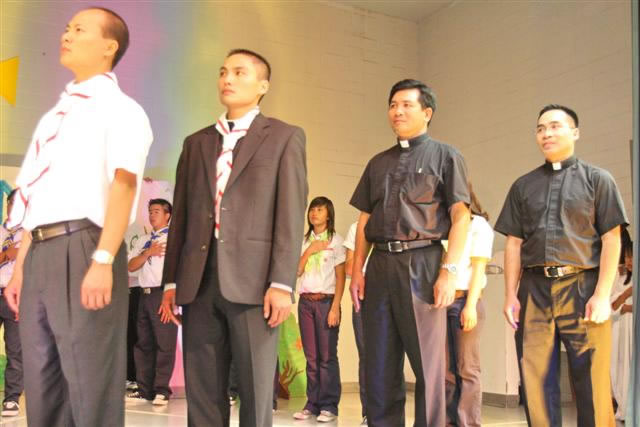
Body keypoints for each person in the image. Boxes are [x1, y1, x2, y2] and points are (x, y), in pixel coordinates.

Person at [3, 7, 152, 427]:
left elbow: (124, 185)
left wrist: (103, 259)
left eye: (79, 29)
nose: (66, 35)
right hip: (40, 248)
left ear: (109, 46)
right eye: (67, 28)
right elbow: (38, 196)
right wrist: (20, 267)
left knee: (89, 380)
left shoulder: (121, 109)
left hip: (85, 244)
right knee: (43, 380)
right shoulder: (56, 115)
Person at [159, 49, 308, 427]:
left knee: (255, 389)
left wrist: (281, 282)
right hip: (199, 280)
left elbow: (290, 214)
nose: (227, 79)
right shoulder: (196, 142)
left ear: (263, 86)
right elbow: (182, 216)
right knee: (203, 392)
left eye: (240, 73)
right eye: (223, 72)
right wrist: (172, 280)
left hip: (255, 284)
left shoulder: (284, 137)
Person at [495, 104, 627, 427]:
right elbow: (513, 243)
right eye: (540, 129)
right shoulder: (522, 186)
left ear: (575, 132)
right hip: (534, 289)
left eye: (555, 126)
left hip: (583, 287)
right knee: (535, 379)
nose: (546, 134)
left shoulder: (598, 180)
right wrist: (510, 295)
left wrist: (602, 295)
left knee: (592, 380)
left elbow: (612, 239)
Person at [349, 79, 471, 426]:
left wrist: (449, 271)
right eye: (393, 105)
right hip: (379, 265)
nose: (397, 111)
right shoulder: (377, 162)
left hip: (423, 263)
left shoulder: (447, 156)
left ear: (427, 113)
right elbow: (364, 219)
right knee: (379, 362)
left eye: (406, 105)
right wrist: (357, 271)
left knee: (428, 367)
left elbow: (461, 216)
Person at [293, 196, 346, 423]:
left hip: (326, 302)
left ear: (328, 214)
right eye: (312, 210)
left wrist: (335, 307)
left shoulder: (337, 240)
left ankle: (329, 405)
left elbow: (340, 277)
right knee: (311, 357)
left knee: (326, 357)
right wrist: (310, 251)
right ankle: (312, 404)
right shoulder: (303, 240)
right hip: (305, 302)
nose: (314, 213)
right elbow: (296, 271)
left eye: (320, 210)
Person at [443, 188, 494, 427]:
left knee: (467, 368)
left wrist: (470, 305)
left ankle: (469, 423)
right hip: (440, 302)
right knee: (445, 370)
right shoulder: (441, 224)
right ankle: (447, 421)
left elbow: (478, 267)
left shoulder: (478, 225)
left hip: (464, 300)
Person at [126, 199, 177, 406]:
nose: (152, 215)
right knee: (143, 343)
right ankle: (144, 389)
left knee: (164, 342)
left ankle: (162, 390)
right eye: (150, 211)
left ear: (167, 215)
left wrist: (172, 295)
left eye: (156, 211)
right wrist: (148, 252)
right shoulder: (144, 240)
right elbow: (131, 265)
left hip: (163, 293)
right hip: (143, 294)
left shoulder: (174, 238)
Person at [0, 190, 23, 417]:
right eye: (13, 202)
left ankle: (12, 398)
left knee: (15, 349)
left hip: (17, 297)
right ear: (7, 204)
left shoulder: (30, 235)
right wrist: (7, 254)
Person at [343, 220, 368, 426]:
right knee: (366, 356)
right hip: (363, 297)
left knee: (390, 355)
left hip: (389, 294)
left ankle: (390, 413)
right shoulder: (356, 227)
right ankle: (369, 412)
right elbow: (349, 268)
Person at [610, 227, 633, 421]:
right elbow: (613, 305)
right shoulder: (621, 278)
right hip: (622, 327)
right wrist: (626, 299)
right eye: (627, 257)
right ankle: (624, 408)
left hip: (633, 327)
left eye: (632, 257)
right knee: (620, 366)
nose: (629, 261)